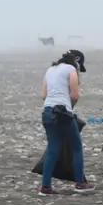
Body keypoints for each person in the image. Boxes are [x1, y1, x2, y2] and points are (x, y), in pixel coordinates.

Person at [38, 49, 95, 196]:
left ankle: (45, 187)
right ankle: (80, 184)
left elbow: (44, 95)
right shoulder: (71, 70)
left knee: (52, 149)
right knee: (76, 146)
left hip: (47, 112)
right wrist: (68, 108)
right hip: (63, 112)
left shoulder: (50, 70)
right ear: (76, 61)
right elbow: (75, 95)